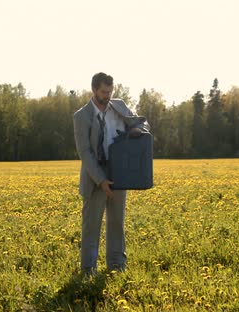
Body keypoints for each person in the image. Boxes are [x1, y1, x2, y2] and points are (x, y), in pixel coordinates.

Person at [73, 72, 150, 275]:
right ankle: (88, 270)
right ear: (94, 90)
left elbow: (142, 122)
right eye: (104, 92)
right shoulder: (81, 116)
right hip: (94, 175)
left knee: (117, 223)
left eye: (110, 91)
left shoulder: (120, 106)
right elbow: (85, 152)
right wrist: (101, 180)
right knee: (92, 226)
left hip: (120, 173)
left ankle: (117, 266)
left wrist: (137, 131)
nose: (107, 95)